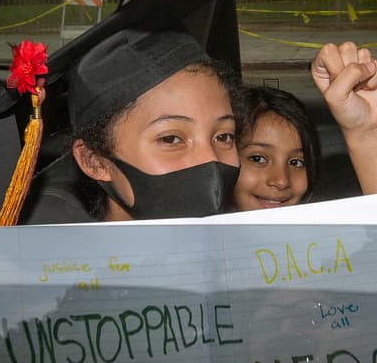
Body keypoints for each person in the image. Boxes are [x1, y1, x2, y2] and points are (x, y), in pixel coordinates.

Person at [25, 23, 244, 223]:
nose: (211, 159)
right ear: (95, 162)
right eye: (171, 138)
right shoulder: (61, 265)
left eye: (223, 136)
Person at [232, 41, 377, 223]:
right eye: (257, 159)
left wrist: (369, 133)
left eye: (297, 162)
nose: (281, 180)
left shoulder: (329, 244)